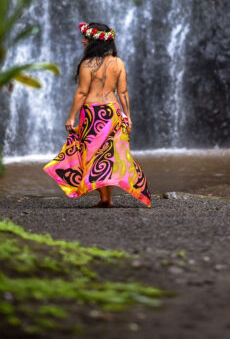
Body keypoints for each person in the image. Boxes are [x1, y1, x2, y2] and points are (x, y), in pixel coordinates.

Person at [43, 21, 151, 208]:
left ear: (95, 41)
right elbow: (123, 92)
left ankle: (105, 198)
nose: (83, 41)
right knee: (109, 156)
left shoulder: (88, 64)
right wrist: (127, 115)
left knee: (92, 154)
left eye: (86, 38)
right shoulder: (118, 63)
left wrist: (71, 117)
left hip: (93, 114)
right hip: (112, 111)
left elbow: (81, 93)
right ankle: (106, 199)